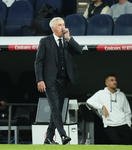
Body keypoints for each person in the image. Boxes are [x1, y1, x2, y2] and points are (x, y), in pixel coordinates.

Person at [34, 17, 83, 145]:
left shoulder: (67, 41)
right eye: (60, 25)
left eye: (64, 24)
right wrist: (40, 79)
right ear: (53, 28)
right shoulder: (45, 41)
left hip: (63, 81)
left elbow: (80, 51)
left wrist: (69, 39)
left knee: (58, 110)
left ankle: (49, 138)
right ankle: (63, 135)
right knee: (55, 108)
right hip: (50, 81)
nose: (63, 27)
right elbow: (38, 62)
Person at [86, 74, 131, 145]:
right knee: (117, 145)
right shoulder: (101, 93)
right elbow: (89, 101)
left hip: (123, 124)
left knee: (127, 145)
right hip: (110, 125)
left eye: (115, 80)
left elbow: (127, 111)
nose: (115, 82)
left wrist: (129, 124)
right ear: (106, 83)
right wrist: (102, 106)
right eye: (112, 80)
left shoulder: (121, 95)